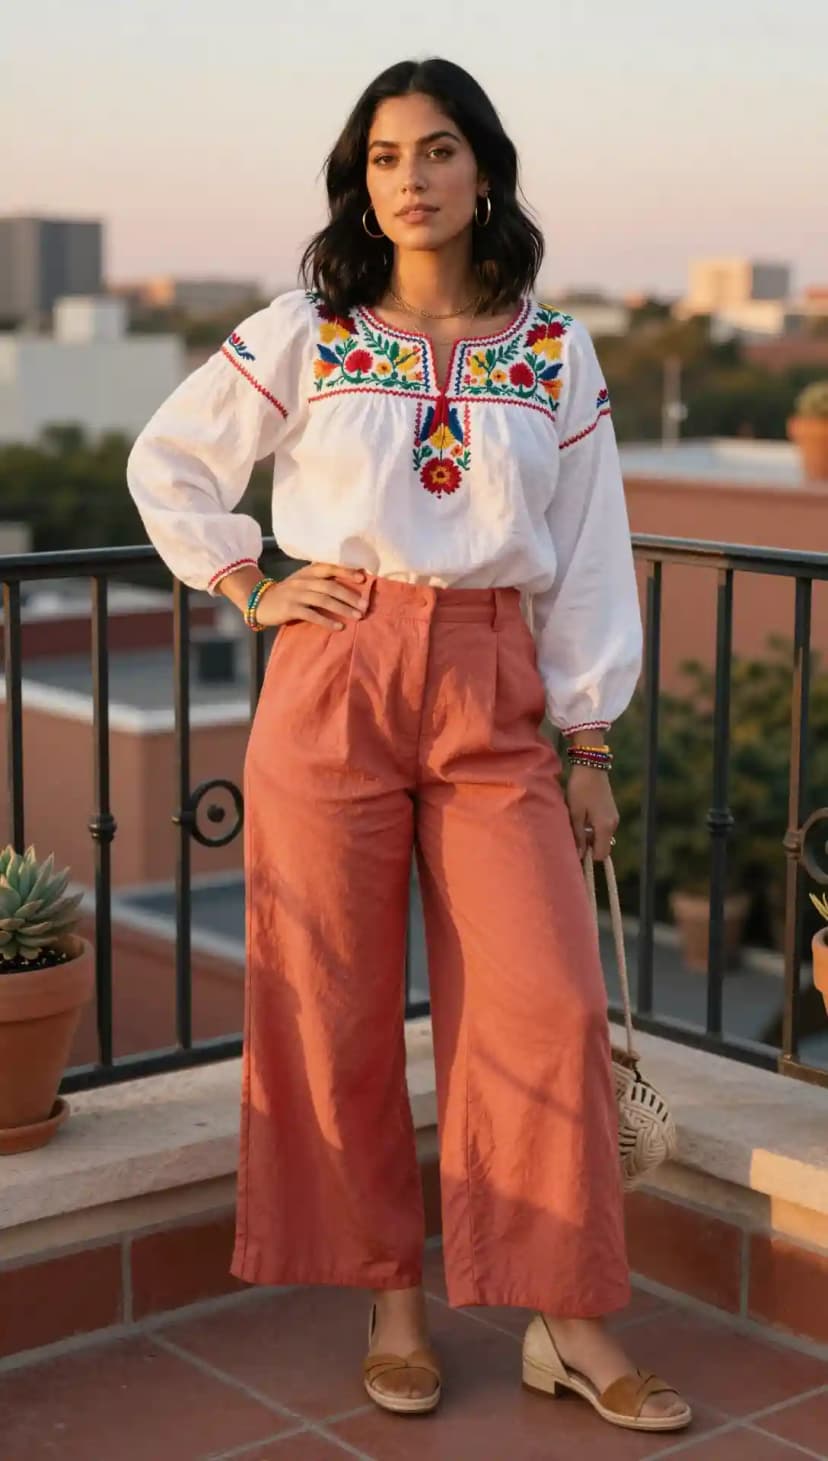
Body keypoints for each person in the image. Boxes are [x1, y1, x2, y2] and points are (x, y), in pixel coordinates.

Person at [127, 56, 691, 1435]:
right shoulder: (307, 333)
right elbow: (169, 460)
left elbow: (586, 553)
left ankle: (567, 1308)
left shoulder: (554, 353)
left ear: (483, 169)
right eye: (384, 158)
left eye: (437, 151)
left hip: (495, 685)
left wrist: (592, 736)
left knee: (544, 1000)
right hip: (335, 674)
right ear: (360, 182)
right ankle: (392, 1297)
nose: (412, 179)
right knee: (334, 1001)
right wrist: (251, 584)